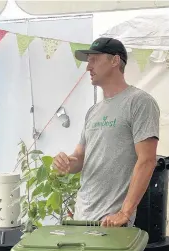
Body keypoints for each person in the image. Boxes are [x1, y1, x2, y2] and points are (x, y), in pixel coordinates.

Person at [53, 38, 160, 227]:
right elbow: (80, 157)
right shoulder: (93, 111)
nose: (88, 68)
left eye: (94, 59)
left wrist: (124, 213)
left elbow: (147, 160)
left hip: (111, 222)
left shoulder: (139, 102)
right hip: (82, 217)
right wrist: (67, 163)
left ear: (115, 61)